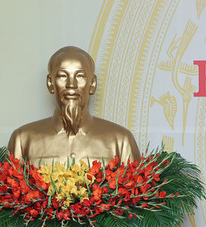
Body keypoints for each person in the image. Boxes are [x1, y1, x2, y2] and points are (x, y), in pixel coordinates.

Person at [8, 46, 140, 164]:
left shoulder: (121, 141)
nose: (71, 85)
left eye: (80, 76)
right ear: (50, 83)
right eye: (62, 76)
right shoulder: (23, 140)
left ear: (92, 84)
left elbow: (137, 190)